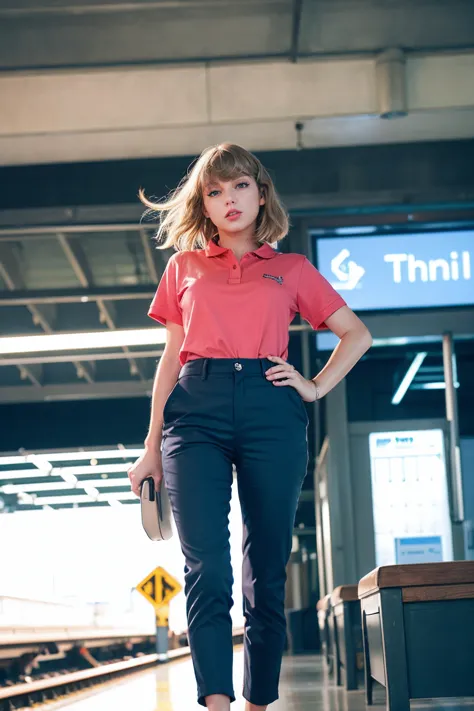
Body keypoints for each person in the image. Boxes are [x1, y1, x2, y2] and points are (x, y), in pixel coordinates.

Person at [128, 143, 372, 711]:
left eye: (239, 186)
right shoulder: (184, 268)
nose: (228, 200)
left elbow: (355, 334)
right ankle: (216, 702)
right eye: (214, 192)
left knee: (265, 569)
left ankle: (259, 702)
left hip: (272, 411)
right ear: (204, 207)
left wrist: (312, 385)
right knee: (205, 565)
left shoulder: (290, 270)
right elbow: (171, 357)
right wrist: (150, 447)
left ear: (261, 194)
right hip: (196, 410)